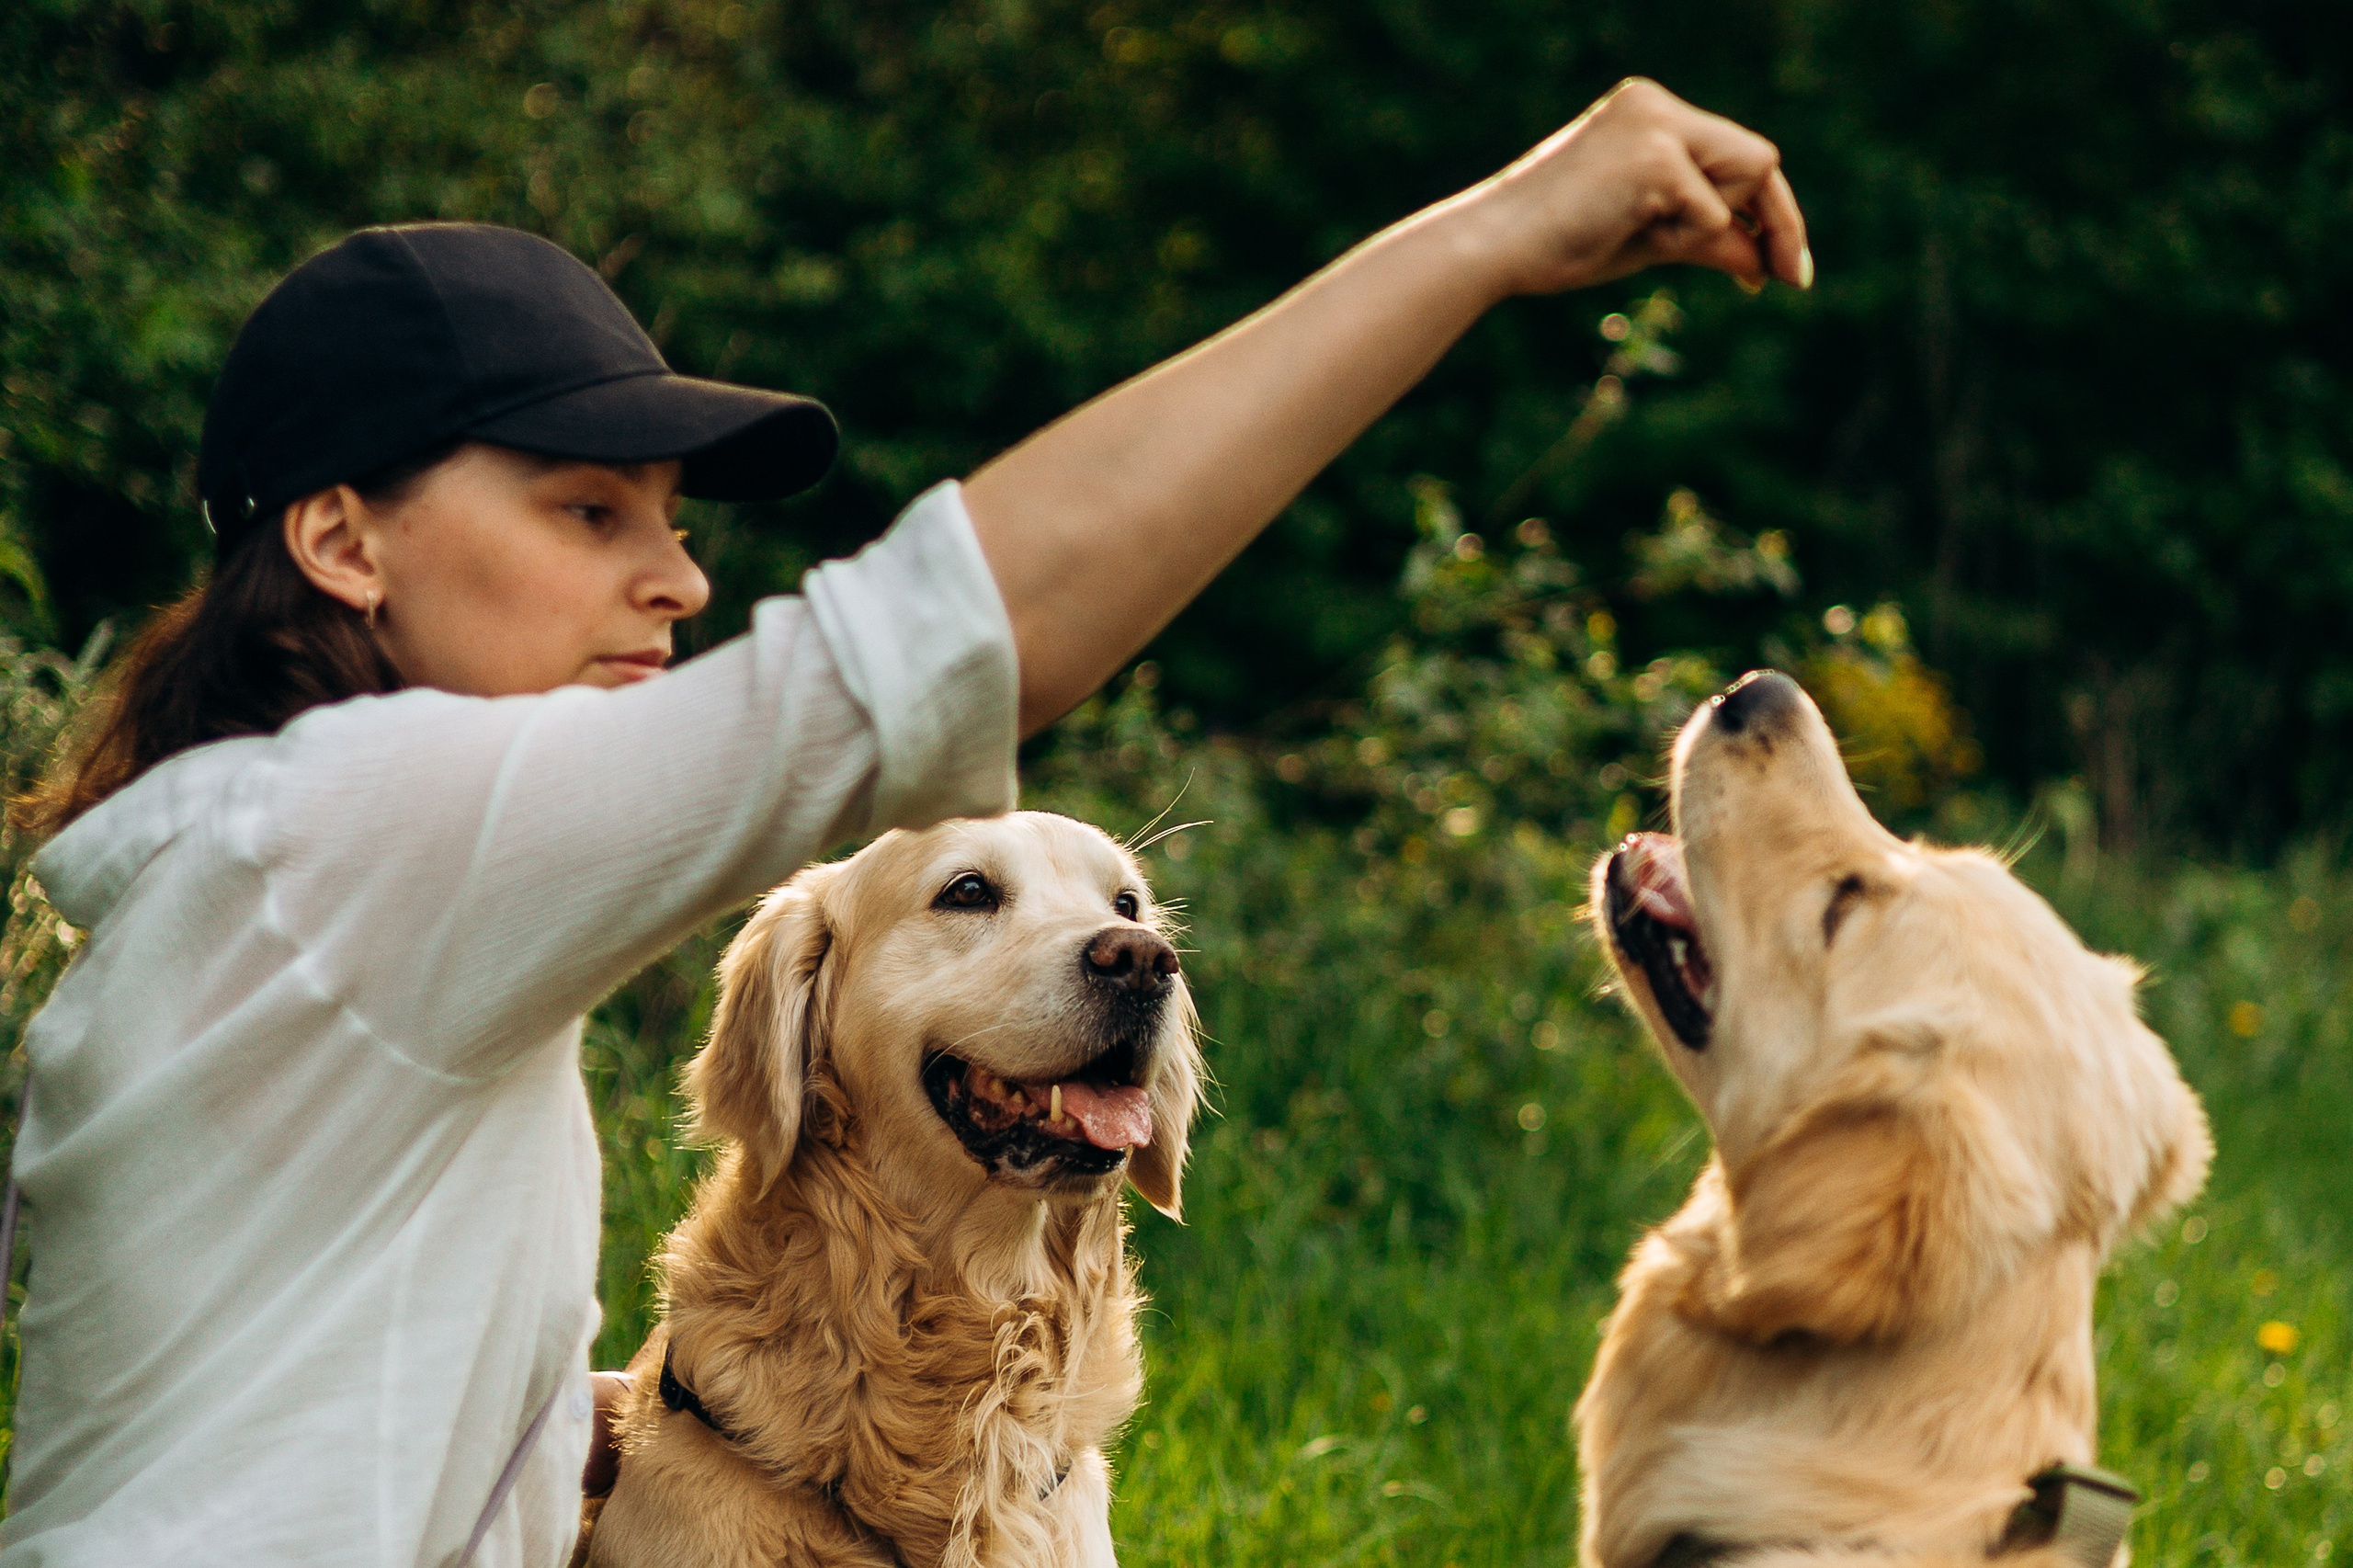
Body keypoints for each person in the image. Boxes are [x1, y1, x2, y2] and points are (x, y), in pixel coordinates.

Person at [1, 79, 1807, 1567]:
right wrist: (1497, 228)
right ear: (340, 540)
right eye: (586, 513)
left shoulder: (236, 876)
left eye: (672, 518)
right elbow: (960, 635)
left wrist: (660, 1436)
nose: (677, 579)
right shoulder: (354, 828)